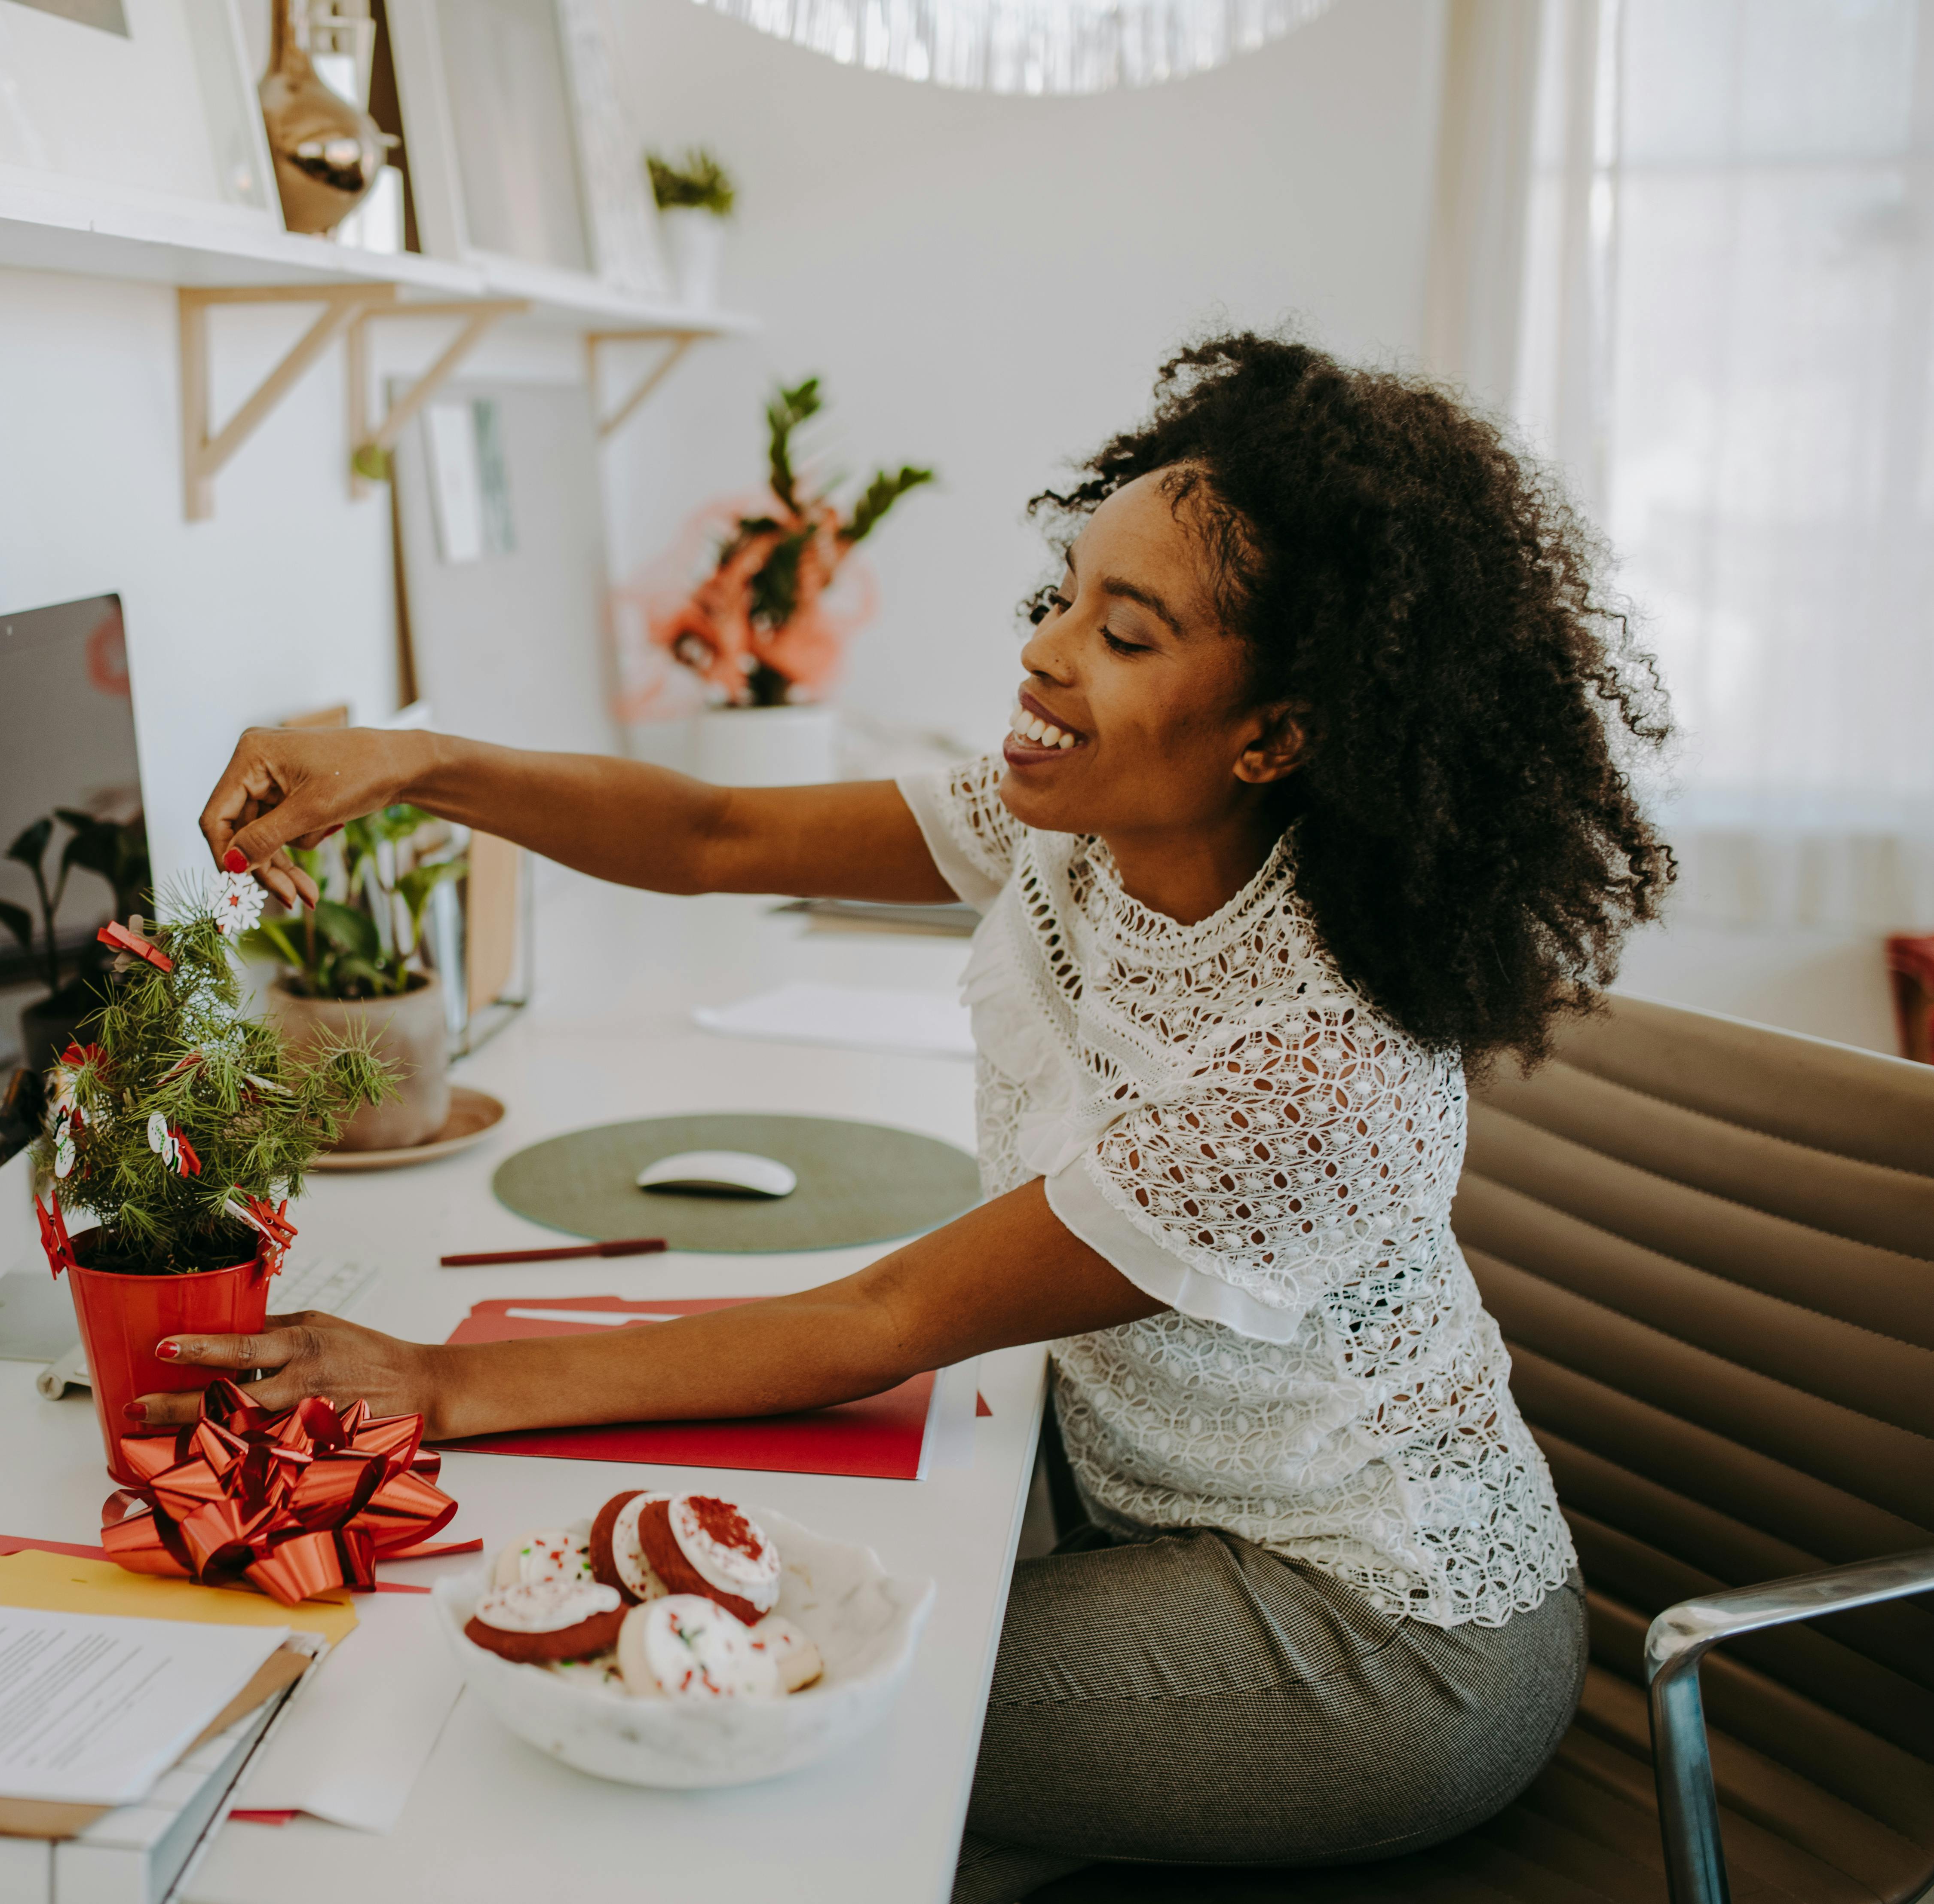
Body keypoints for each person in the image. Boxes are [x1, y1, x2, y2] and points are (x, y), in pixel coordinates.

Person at [158, 333, 1673, 1895]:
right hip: (1144, 1529)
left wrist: (433, 1380)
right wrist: (422, 761)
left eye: (1126, 634)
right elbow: (717, 829)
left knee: (711, 1716)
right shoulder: (1080, 836)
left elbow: (883, 1314)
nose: (1045, 651)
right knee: (697, 1672)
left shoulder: (1308, 1066)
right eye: (1065, 591)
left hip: (1375, 1644)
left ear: (1274, 734)